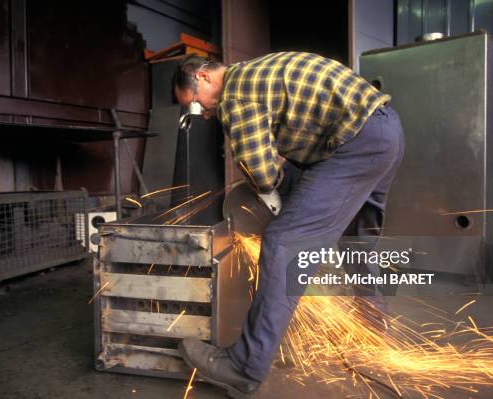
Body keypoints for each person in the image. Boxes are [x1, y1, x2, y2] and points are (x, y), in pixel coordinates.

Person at [172, 52, 404, 399]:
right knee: (357, 244)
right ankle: (373, 332)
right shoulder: (258, 71)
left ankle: (243, 368)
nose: (204, 114)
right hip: (386, 131)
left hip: (355, 143)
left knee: (283, 244)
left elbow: (260, 169)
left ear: (203, 77)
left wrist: (273, 196)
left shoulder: (234, 93)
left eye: (194, 105)